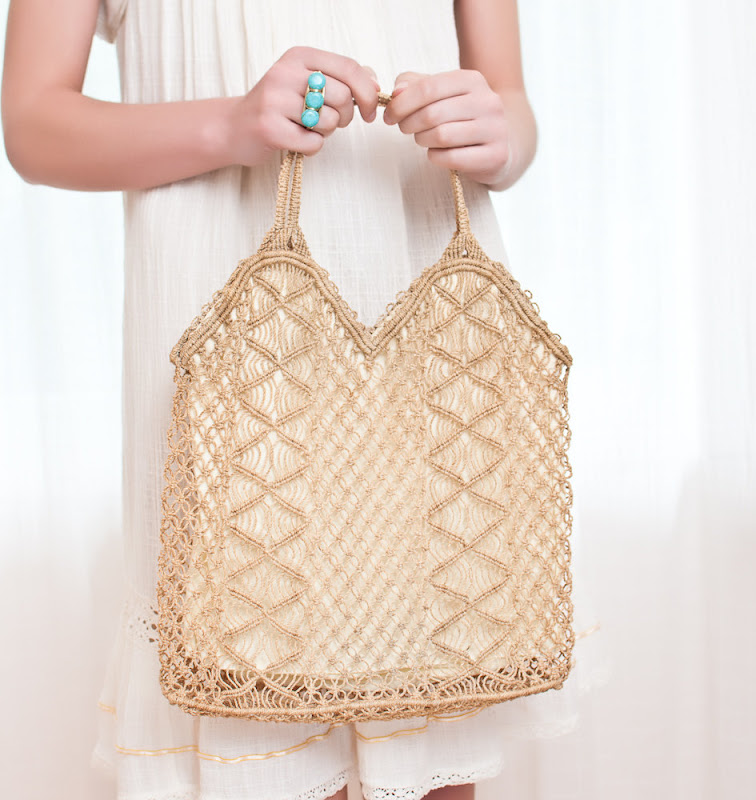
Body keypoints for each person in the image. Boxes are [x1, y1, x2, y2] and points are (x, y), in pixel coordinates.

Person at [2, 1, 606, 799]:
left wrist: (496, 134)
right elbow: (33, 123)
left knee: (431, 747)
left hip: (427, 322)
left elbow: (511, 107)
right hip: (237, 357)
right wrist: (231, 125)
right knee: (251, 710)